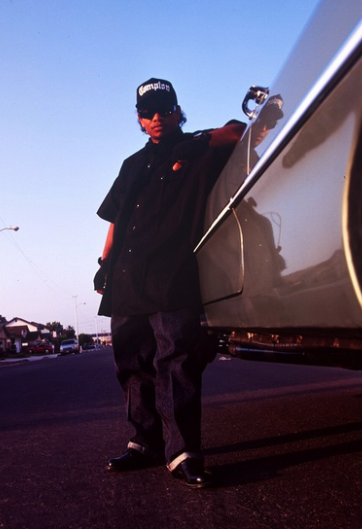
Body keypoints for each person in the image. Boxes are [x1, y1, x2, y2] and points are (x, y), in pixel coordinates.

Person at [94, 78, 245, 489]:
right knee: (131, 366)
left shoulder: (200, 147)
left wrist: (200, 142)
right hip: (126, 276)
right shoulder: (130, 165)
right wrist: (104, 265)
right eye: (148, 112)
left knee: (176, 363)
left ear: (178, 110)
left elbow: (240, 130)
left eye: (165, 109)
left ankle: (182, 453)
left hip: (173, 274)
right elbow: (115, 222)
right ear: (140, 120)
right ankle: (144, 443)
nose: (157, 117)